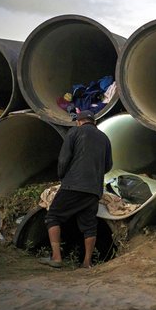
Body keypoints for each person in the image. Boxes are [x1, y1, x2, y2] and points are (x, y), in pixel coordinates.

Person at [40, 110, 113, 269]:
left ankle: (57, 257)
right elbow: (108, 166)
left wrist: (62, 176)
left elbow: (64, 159)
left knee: (53, 216)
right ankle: (87, 263)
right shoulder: (105, 138)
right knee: (89, 226)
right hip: (94, 189)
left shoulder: (74, 133)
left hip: (73, 185)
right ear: (93, 122)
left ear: (79, 122)